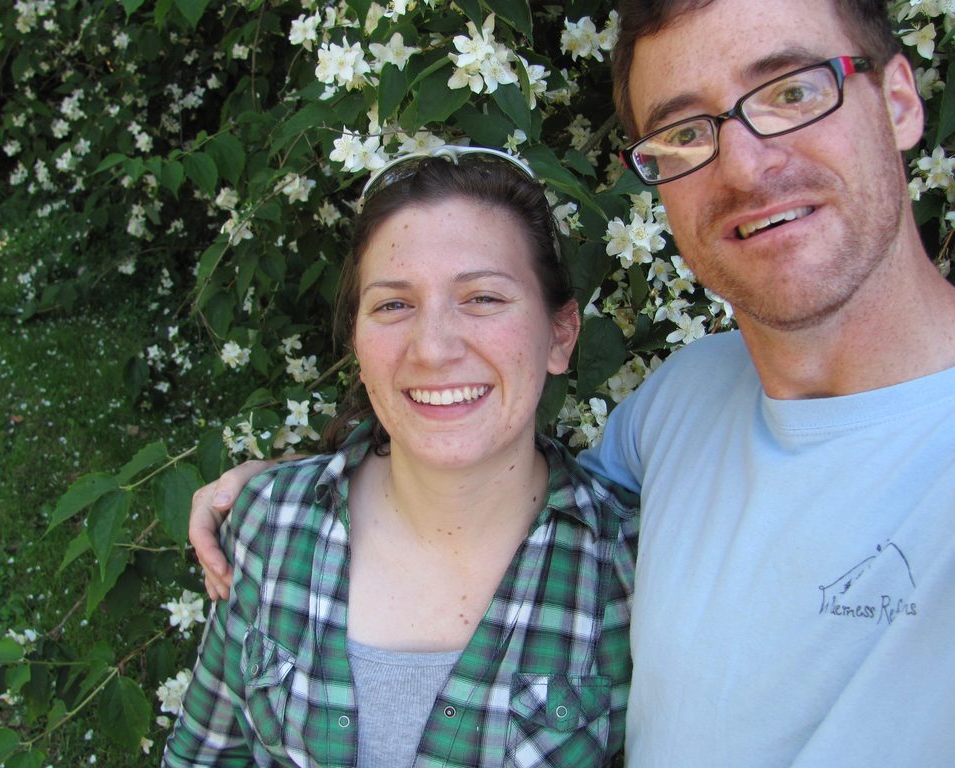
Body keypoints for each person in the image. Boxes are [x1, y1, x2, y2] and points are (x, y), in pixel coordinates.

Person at [191, 1, 955, 766]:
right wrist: (280, 502)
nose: (748, 167)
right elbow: (492, 492)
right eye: (687, 131)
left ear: (898, 99)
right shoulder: (682, 405)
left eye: (792, 91)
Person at [163, 146, 637, 767]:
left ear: (560, 335)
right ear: (357, 339)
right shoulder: (267, 524)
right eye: (393, 305)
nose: (433, 348)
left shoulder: (633, 569)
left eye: (483, 298)